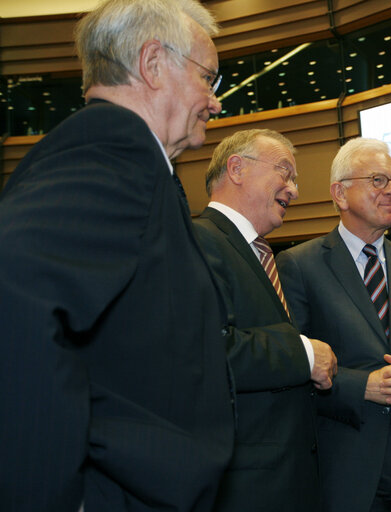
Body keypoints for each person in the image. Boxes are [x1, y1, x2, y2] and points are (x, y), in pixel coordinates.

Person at [0, 0, 235, 510]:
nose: (216, 103)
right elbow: (11, 286)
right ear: (153, 64)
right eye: (208, 79)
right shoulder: (114, 145)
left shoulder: (127, 156)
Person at [275, 138, 391, 512]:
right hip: (346, 465)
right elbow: (294, 366)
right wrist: (365, 386)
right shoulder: (298, 266)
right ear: (340, 194)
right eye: (379, 181)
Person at [192, 129, 337, 511]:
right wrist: (306, 354)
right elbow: (209, 350)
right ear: (236, 168)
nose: (294, 190)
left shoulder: (257, 253)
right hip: (245, 489)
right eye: (284, 172)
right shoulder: (198, 239)